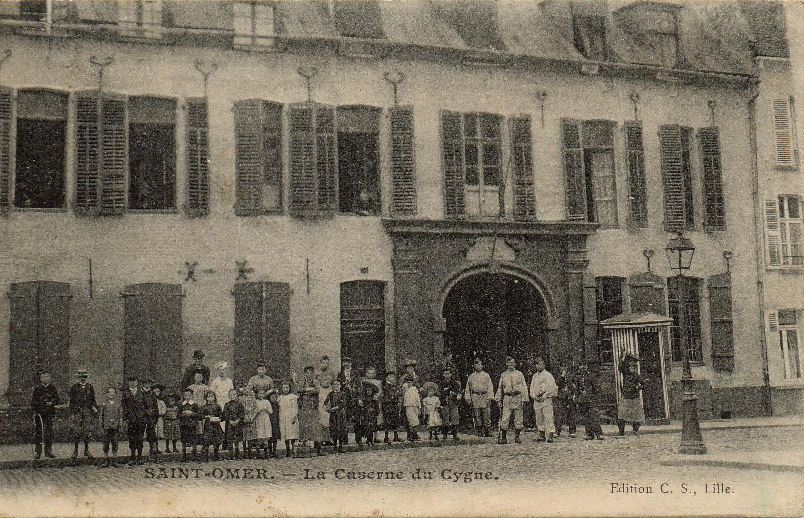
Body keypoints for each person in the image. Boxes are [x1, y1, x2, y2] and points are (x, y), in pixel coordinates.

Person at [495, 356, 527, 444]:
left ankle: (517, 437)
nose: (511, 364)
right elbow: (499, 388)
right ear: (506, 364)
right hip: (507, 397)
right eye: (509, 363)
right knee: (505, 417)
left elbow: (524, 387)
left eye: (513, 363)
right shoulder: (503, 375)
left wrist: (524, 399)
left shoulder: (519, 374)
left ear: (515, 364)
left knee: (518, 418)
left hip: (517, 397)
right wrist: (498, 400)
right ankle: (504, 437)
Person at [68, 368, 97, 461]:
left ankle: (86, 449)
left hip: (87, 412)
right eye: (81, 377)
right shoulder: (74, 387)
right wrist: (73, 413)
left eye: (84, 377)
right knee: (77, 431)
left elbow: (93, 399)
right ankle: (75, 450)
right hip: (77, 412)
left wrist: (94, 407)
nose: (82, 379)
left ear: (86, 378)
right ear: (78, 378)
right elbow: (71, 401)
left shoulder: (90, 387)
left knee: (86, 431)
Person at [31, 370, 60, 459]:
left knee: (48, 432)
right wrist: (37, 410)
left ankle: (48, 451)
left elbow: (57, 399)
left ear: (50, 378)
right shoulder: (37, 389)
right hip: (39, 414)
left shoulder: (53, 388)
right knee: (39, 433)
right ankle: (38, 452)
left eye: (47, 377)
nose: (45, 379)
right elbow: (33, 402)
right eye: (43, 377)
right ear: (40, 378)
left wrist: (52, 403)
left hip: (49, 413)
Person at [529, 357, 558, 443]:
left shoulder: (548, 375)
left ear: (544, 365)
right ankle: (541, 434)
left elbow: (552, 388)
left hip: (545, 399)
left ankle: (550, 435)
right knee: (539, 417)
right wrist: (534, 396)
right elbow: (531, 388)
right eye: (537, 364)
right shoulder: (534, 376)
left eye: (541, 364)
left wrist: (544, 396)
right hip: (537, 399)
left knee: (548, 416)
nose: (539, 366)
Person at [464, 358, 494, 437]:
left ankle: (487, 430)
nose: (477, 366)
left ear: (482, 366)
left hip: (484, 395)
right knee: (477, 414)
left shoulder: (486, 375)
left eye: (479, 364)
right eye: (475, 364)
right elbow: (468, 388)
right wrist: (468, 398)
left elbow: (490, 387)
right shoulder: (471, 376)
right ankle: (479, 430)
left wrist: (490, 397)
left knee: (486, 414)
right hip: (475, 396)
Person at [121, 377, 147, 465]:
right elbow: (124, 407)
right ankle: (132, 457)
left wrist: (144, 416)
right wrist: (125, 419)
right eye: (130, 381)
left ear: (137, 382)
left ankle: (139, 457)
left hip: (140, 419)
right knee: (131, 438)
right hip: (131, 420)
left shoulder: (142, 393)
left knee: (140, 438)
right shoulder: (125, 393)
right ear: (128, 383)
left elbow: (146, 406)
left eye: (134, 381)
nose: (132, 383)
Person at [298, 366, 324, 456]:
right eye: (307, 373)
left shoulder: (316, 381)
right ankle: (305, 448)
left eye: (311, 373)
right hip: (305, 407)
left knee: (315, 427)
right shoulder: (302, 382)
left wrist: (307, 391)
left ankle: (318, 448)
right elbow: (299, 389)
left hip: (313, 406)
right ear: (305, 373)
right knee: (305, 426)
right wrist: (309, 389)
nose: (309, 375)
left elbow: (318, 390)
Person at [617, 354, 645, 436]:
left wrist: (638, 387)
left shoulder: (637, 376)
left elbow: (644, 384)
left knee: (636, 415)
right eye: (631, 366)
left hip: (634, 397)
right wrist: (621, 357)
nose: (633, 368)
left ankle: (635, 430)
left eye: (635, 366)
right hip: (625, 397)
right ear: (628, 367)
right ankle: (621, 431)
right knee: (622, 415)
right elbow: (620, 367)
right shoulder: (626, 374)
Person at [356, 365, 381, 449]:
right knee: (363, 424)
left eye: (372, 373)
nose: (370, 375)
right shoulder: (362, 382)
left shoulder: (377, 382)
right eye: (369, 373)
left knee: (373, 424)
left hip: (372, 405)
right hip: (365, 407)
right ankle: (361, 439)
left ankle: (371, 439)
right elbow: (359, 392)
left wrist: (376, 396)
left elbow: (379, 391)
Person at [336, 357, 360, 443]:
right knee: (344, 418)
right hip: (344, 398)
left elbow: (358, 384)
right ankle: (344, 439)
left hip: (353, 398)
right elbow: (337, 385)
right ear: (343, 364)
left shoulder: (355, 373)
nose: (347, 364)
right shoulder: (340, 374)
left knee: (356, 417)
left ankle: (358, 439)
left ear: (351, 364)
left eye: (349, 362)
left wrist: (353, 388)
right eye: (345, 362)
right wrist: (343, 384)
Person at [577, 363, 604, 440]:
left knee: (594, 417)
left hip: (591, 400)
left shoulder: (591, 376)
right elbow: (577, 388)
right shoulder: (578, 377)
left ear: (587, 366)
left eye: (584, 365)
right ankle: (589, 434)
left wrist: (593, 397)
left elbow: (597, 389)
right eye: (581, 365)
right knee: (586, 418)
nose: (582, 367)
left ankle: (599, 434)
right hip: (582, 400)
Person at [99, 386, 122, 468]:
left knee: (115, 443)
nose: (111, 394)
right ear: (107, 394)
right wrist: (101, 426)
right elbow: (101, 416)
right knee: (106, 443)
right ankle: (106, 460)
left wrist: (120, 424)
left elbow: (120, 415)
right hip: (106, 427)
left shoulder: (118, 404)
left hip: (115, 427)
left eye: (113, 392)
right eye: (110, 392)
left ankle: (115, 460)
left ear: (115, 394)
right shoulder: (104, 404)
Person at [323, 379, 348, 453]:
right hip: (333, 415)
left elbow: (343, 404)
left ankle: (340, 446)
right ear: (332, 386)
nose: (336, 386)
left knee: (341, 429)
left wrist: (335, 408)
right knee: (334, 429)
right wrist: (326, 407)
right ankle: (334, 446)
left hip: (340, 414)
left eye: (337, 384)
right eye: (334, 384)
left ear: (340, 386)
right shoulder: (330, 394)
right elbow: (326, 402)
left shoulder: (343, 394)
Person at [314, 355, 335, 442]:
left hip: (328, 391)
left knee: (328, 414)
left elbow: (333, 383)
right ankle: (321, 438)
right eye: (323, 363)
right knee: (321, 414)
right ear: (320, 363)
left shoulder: (331, 373)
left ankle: (329, 438)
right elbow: (315, 384)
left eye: (327, 363)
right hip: (321, 392)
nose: (325, 364)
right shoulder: (317, 373)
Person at [439, 367, 462, 441]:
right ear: (443, 374)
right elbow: (440, 393)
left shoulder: (455, 383)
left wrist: (456, 395)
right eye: (445, 374)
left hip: (453, 402)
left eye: (448, 373)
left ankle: (455, 434)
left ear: (451, 374)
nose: (447, 375)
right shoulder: (441, 383)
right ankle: (445, 434)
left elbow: (458, 392)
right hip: (445, 402)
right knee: (445, 418)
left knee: (455, 417)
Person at [555, 365, 578, 438]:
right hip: (562, 397)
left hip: (570, 396)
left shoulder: (572, 375)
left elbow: (575, 385)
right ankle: (557, 431)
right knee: (559, 414)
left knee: (571, 414)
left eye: (565, 367)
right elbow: (557, 384)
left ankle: (572, 431)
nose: (564, 368)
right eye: (562, 367)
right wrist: (562, 376)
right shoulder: (559, 376)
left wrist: (574, 394)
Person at [200, 391, 223, 461]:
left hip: (216, 425)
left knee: (216, 440)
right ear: (206, 398)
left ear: (214, 398)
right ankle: (205, 456)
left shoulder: (217, 406)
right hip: (208, 426)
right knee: (206, 440)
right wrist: (206, 417)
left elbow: (221, 415)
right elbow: (200, 416)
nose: (210, 398)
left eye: (211, 396)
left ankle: (216, 455)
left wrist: (219, 419)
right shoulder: (204, 407)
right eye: (208, 397)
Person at [277, 380, 299, 457]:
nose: (285, 389)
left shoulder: (292, 397)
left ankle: (293, 449)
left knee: (292, 434)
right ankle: (287, 450)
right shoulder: (280, 398)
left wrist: (294, 416)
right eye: (284, 388)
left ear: (290, 388)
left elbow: (295, 408)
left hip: (290, 416)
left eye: (287, 387)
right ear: (281, 389)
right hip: (283, 417)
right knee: (285, 434)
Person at [178, 387, 200, 461]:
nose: (187, 397)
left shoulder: (194, 405)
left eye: (189, 395)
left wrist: (192, 414)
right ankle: (184, 456)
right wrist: (183, 414)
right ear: (183, 396)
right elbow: (178, 415)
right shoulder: (181, 405)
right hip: (184, 425)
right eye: (186, 395)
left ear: (192, 396)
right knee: (184, 440)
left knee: (193, 440)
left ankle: (194, 456)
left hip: (192, 425)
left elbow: (198, 415)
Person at [223, 388, 245, 459]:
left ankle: (237, 453)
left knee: (237, 439)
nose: (232, 396)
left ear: (237, 395)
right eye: (231, 394)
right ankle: (231, 454)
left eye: (234, 394)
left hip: (237, 424)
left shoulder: (240, 404)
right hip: (229, 424)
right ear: (228, 396)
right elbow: (225, 414)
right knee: (230, 439)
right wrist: (229, 420)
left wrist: (238, 420)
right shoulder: (227, 405)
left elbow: (242, 414)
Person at [141, 379, 160, 461]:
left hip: (151, 417)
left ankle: (153, 451)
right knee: (140, 434)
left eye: (149, 383)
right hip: (142, 416)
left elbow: (155, 406)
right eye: (145, 383)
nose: (147, 385)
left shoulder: (152, 394)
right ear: (143, 384)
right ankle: (139, 453)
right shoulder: (140, 393)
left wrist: (156, 416)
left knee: (151, 434)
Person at [381, 371, 403, 444]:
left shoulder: (395, 385)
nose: (393, 378)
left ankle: (395, 436)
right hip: (387, 404)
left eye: (393, 376)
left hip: (394, 404)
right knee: (387, 420)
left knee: (395, 420)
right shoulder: (384, 385)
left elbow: (399, 394)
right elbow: (385, 395)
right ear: (387, 377)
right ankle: (386, 437)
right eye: (391, 376)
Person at [240, 387, 257, 459]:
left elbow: (256, 409)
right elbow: (240, 409)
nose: (247, 392)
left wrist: (253, 417)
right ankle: (244, 452)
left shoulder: (253, 399)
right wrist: (242, 418)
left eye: (249, 390)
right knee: (244, 436)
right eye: (246, 390)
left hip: (251, 418)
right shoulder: (241, 399)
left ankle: (250, 451)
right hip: (244, 418)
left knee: (251, 435)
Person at [268, 389, 281, 457]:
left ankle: (274, 450)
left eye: (274, 397)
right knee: (270, 437)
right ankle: (270, 451)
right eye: (272, 397)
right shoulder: (268, 404)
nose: (273, 399)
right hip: (270, 422)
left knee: (275, 437)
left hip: (276, 423)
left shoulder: (277, 405)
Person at [154, 384, 167, 451]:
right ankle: (153, 448)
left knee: (159, 432)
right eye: (155, 391)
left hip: (159, 418)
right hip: (153, 418)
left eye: (158, 391)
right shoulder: (151, 401)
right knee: (154, 433)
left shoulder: (161, 401)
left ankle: (157, 448)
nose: (156, 393)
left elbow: (164, 409)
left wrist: (161, 413)